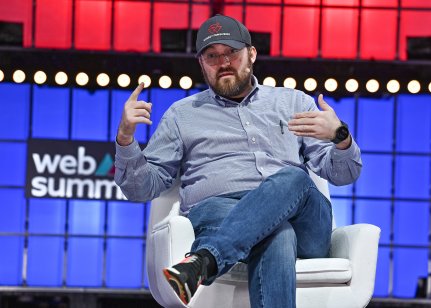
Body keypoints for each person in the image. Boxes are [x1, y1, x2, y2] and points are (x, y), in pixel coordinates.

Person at [115, 14, 361, 308]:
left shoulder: (294, 103)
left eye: (232, 52)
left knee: (294, 178)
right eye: (212, 56)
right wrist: (126, 140)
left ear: (251, 54)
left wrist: (340, 137)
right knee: (277, 234)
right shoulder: (181, 115)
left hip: (304, 224)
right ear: (201, 63)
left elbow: (344, 174)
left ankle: (203, 261)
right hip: (220, 213)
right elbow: (141, 189)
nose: (224, 62)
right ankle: (206, 260)